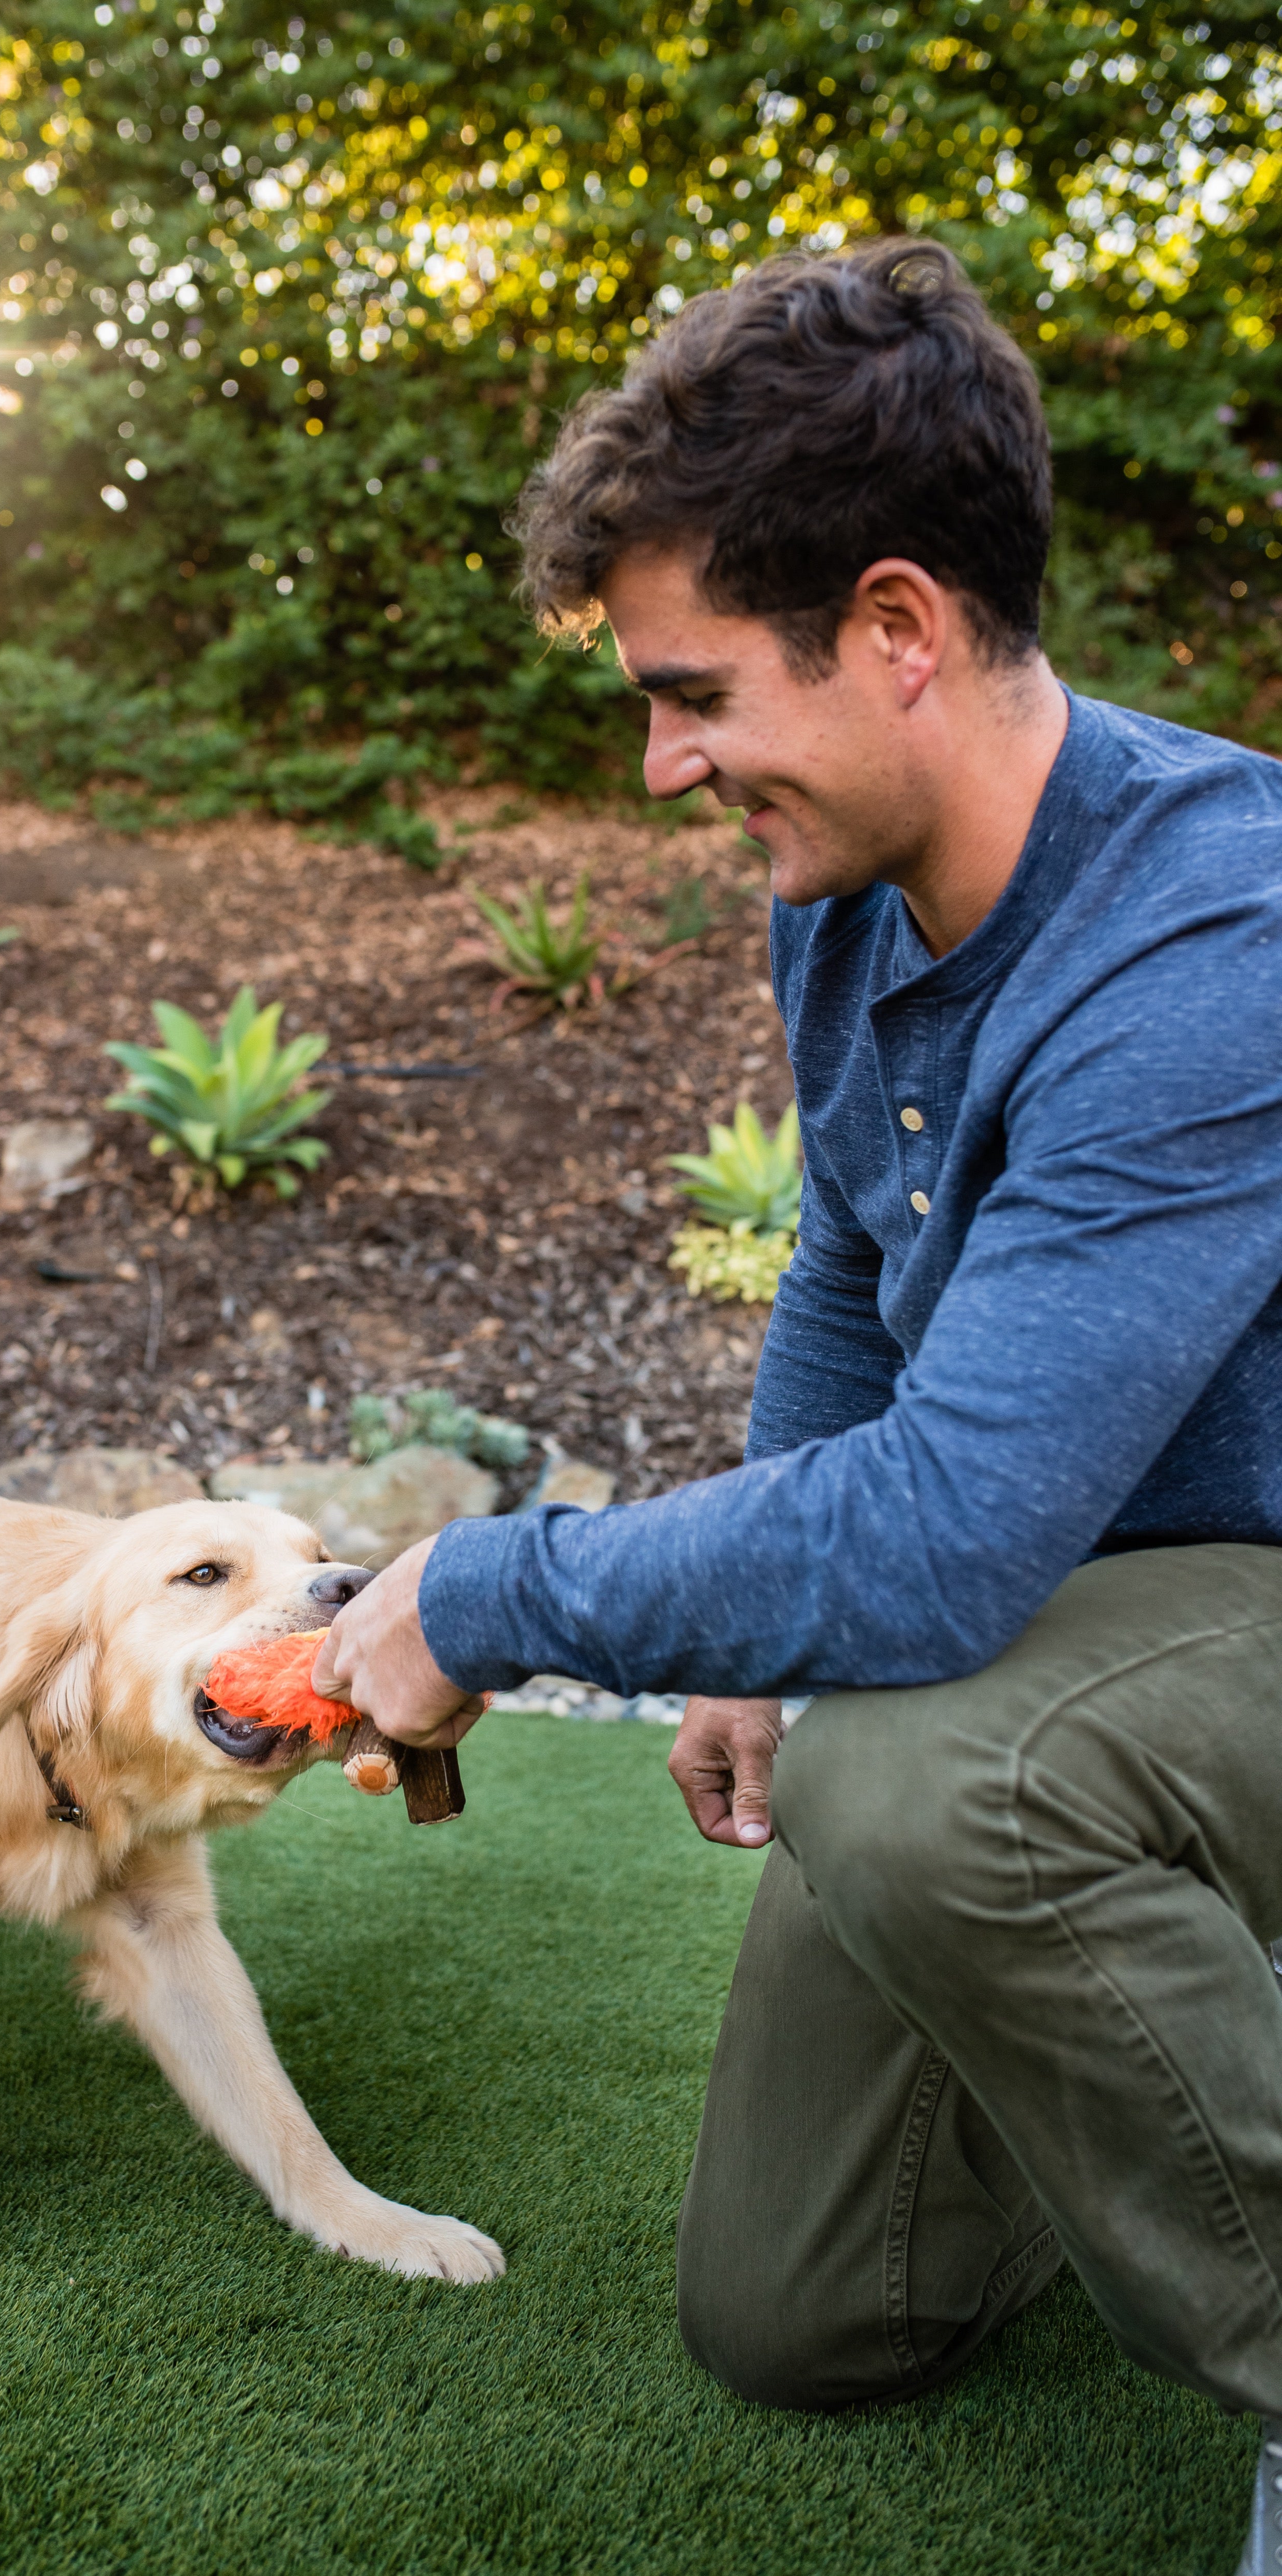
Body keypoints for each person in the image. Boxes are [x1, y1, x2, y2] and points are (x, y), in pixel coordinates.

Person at [310, 238, 1282, 2571]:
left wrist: (490, 1589)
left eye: (694, 691)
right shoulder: (843, 887)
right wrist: (751, 1616)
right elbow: (854, 1256)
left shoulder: (1219, 937)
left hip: (1232, 1591)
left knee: (932, 1776)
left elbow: (946, 1537)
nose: (663, 761)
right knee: (802, 2308)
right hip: (1092, 1589)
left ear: (900, 630)